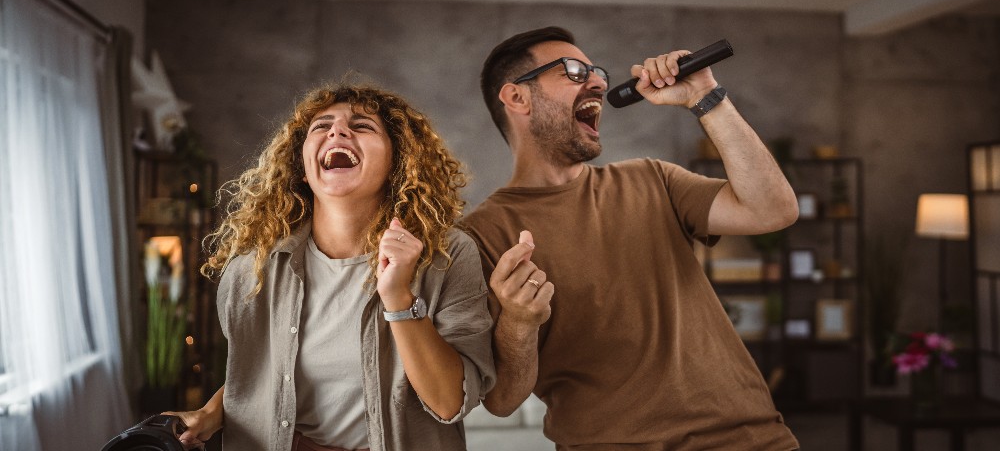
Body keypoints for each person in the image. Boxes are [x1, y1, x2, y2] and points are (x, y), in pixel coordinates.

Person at [462, 26, 801, 450]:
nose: (599, 82)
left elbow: (774, 209)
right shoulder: (479, 237)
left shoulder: (652, 179)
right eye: (572, 71)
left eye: (596, 71)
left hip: (753, 440)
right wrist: (517, 322)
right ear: (517, 97)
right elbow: (502, 400)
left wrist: (704, 96)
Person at [166, 83, 495, 451]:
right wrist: (211, 413)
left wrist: (399, 300)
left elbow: (450, 403)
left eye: (362, 126)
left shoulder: (445, 255)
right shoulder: (252, 270)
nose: (337, 131)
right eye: (321, 127)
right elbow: (262, 373)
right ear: (303, 169)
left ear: (397, 161)